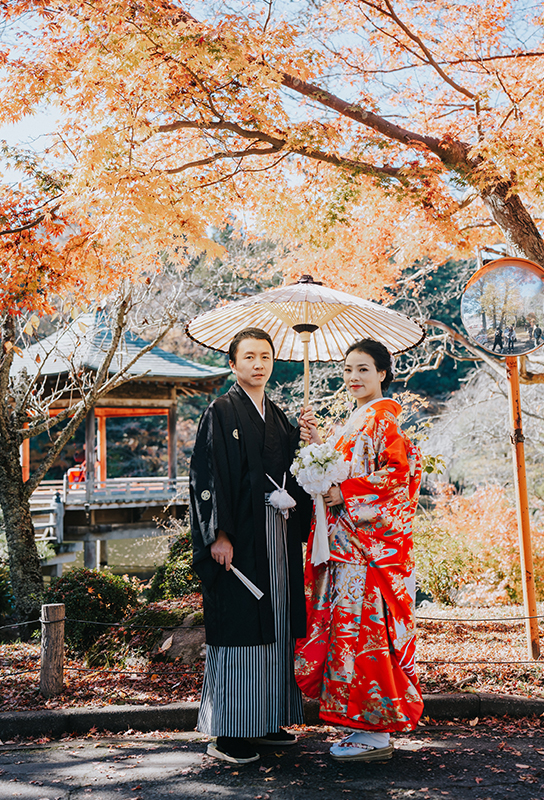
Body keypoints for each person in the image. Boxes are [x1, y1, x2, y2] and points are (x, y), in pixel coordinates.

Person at [294, 338, 424, 762]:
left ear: (383, 374)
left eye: (364, 369)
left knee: (368, 637)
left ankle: (376, 730)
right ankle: (360, 724)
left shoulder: (385, 420)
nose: (353, 377)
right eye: (348, 369)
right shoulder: (356, 421)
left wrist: (343, 491)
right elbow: (336, 466)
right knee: (349, 635)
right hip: (347, 548)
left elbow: (398, 480)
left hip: (368, 552)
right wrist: (316, 442)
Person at [190, 327, 313, 765]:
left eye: (265, 356)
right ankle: (228, 731)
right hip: (241, 535)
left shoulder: (278, 417)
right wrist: (218, 534)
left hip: (277, 532)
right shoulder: (220, 412)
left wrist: (306, 439)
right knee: (242, 623)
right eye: (249, 357)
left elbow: (292, 473)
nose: (258, 364)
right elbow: (206, 479)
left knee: (276, 620)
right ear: (232, 363)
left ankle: (265, 719)